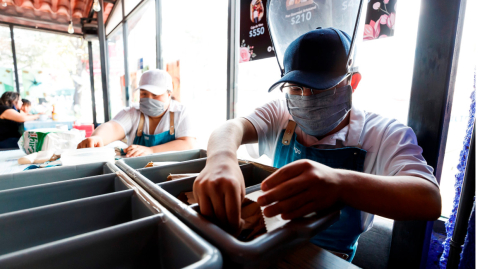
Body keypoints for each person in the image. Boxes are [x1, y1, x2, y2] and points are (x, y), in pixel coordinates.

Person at [192, 28, 441, 261]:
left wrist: (340, 184)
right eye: (296, 88)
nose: (305, 97)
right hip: (272, 246)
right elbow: (230, 128)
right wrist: (221, 159)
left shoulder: (383, 134)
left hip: (331, 258)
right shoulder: (280, 114)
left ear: (352, 82)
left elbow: (428, 198)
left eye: (320, 89)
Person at [77, 69, 196, 157]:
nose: (149, 99)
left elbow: (188, 144)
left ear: (169, 94)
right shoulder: (133, 112)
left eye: (155, 95)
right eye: (144, 94)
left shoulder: (181, 113)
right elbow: (113, 127)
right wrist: (98, 138)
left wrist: (151, 151)